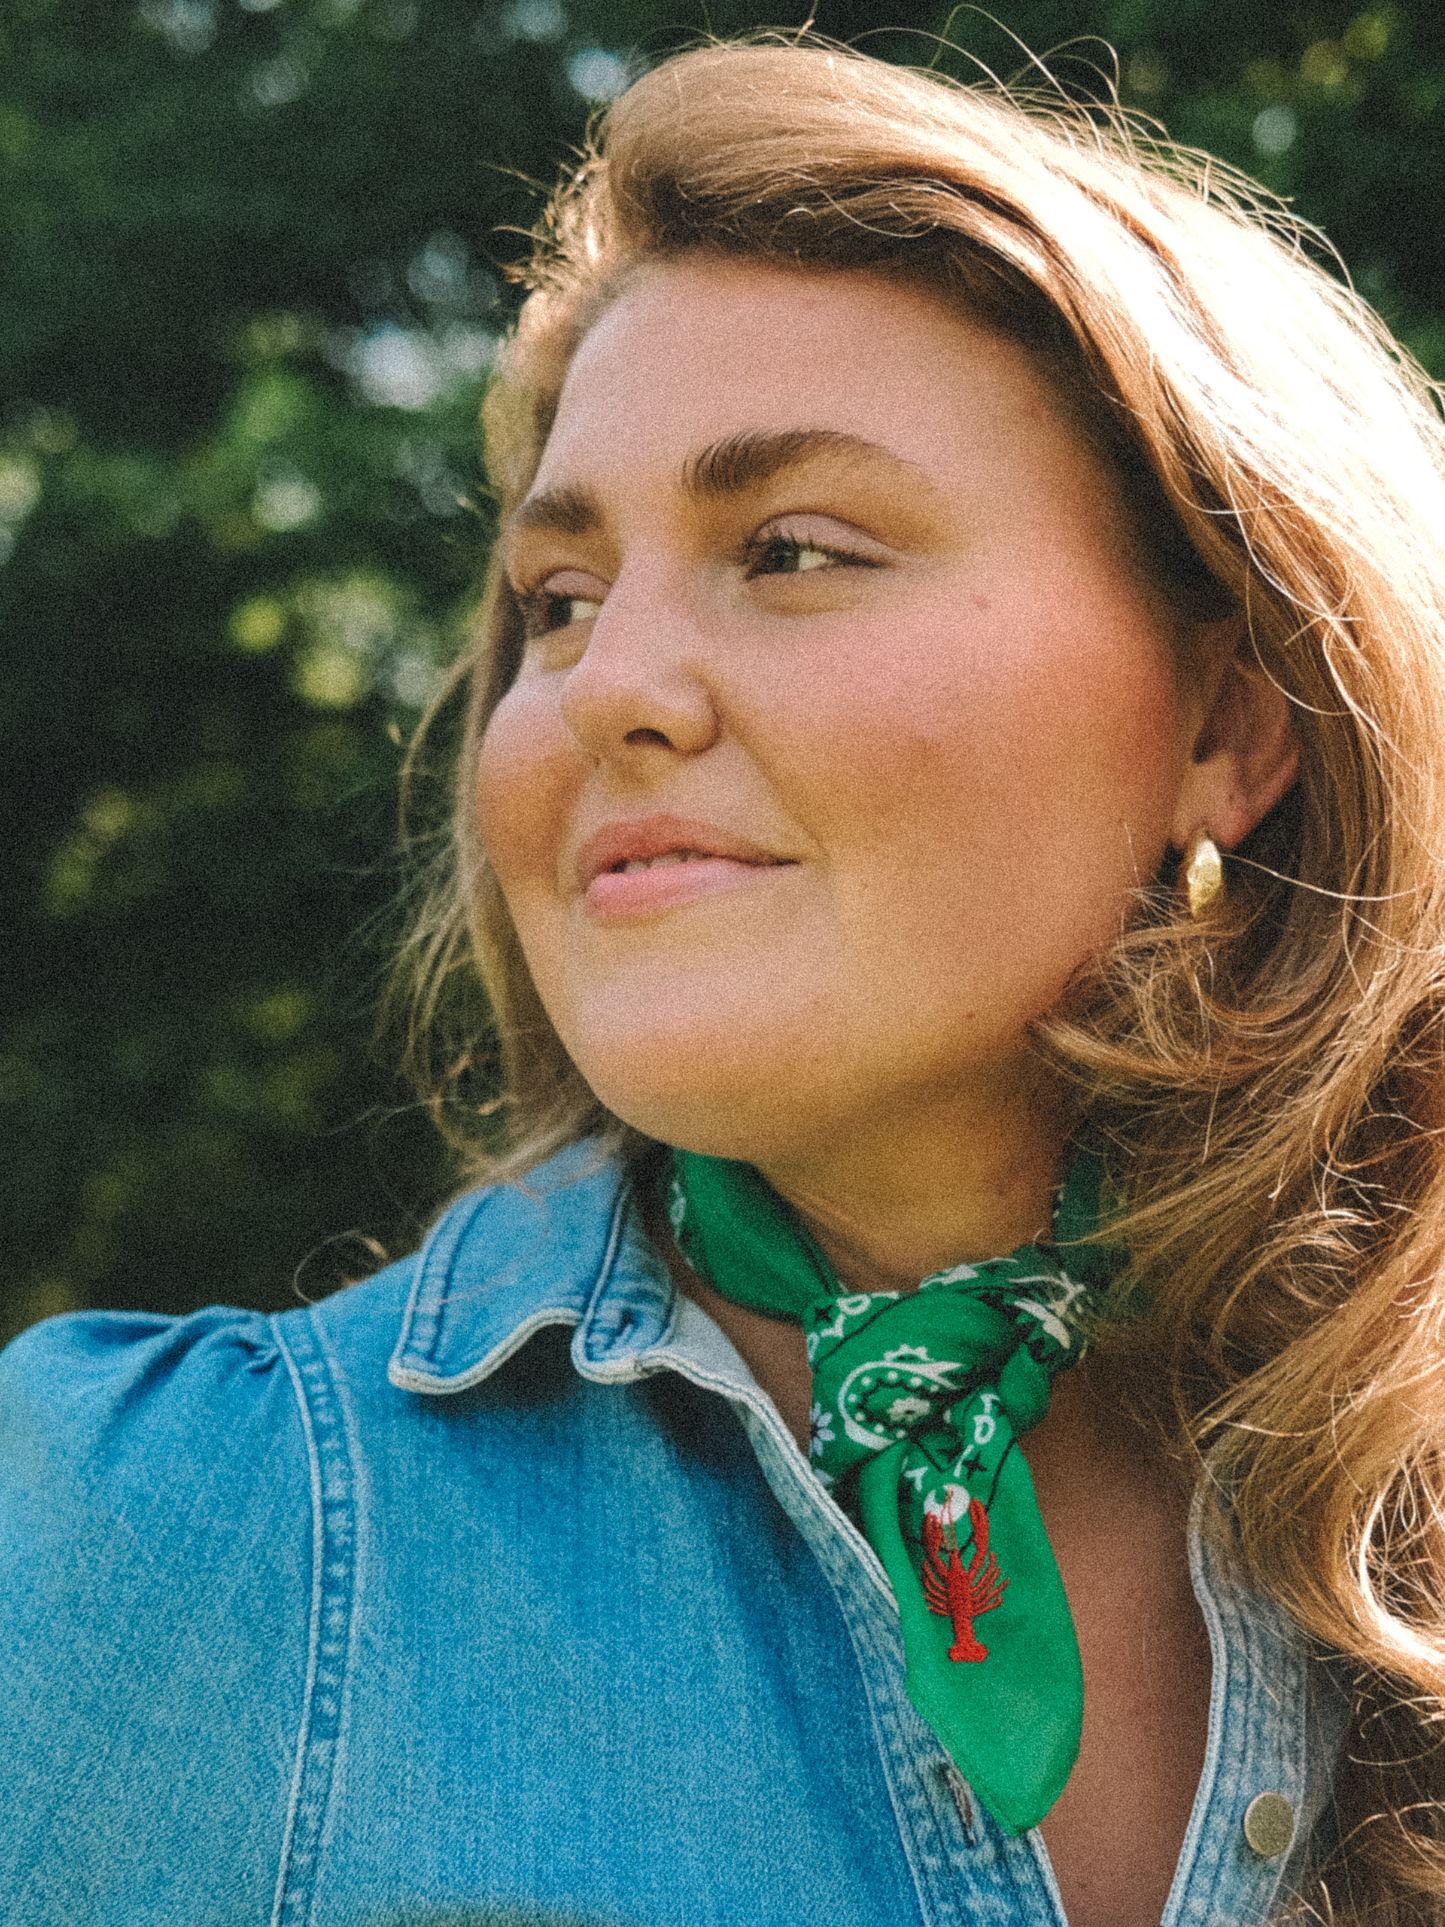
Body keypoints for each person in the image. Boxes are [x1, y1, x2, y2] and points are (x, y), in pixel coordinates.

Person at [4, 36, 1444, 1927]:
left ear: (1228, 729)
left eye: (793, 551)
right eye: (558, 599)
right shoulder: (146, 1533)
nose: (604, 685)